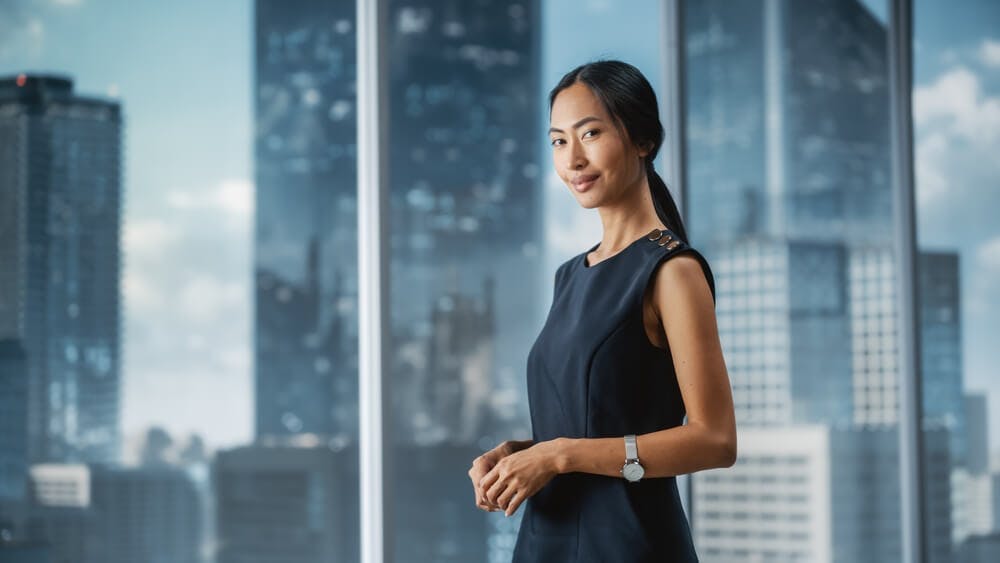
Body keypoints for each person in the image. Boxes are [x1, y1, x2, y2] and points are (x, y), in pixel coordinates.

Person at [466, 59, 737, 562]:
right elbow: (595, 418)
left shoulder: (673, 271)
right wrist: (525, 453)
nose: (572, 159)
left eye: (590, 133)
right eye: (558, 141)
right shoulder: (569, 275)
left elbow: (715, 440)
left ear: (642, 141)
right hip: (544, 542)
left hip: (629, 547)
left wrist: (559, 454)